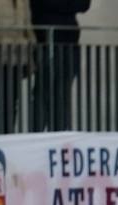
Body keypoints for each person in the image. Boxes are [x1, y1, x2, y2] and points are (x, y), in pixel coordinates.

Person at [29, 0, 87, 132]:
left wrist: (60, 6)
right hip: (46, 42)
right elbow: (41, 4)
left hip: (70, 44)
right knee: (43, 94)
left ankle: (59, 135)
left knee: (63, 95)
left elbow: (84, 4)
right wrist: (68, 6)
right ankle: (36, 136)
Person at [0, 0, 34, 134]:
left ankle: (7, 138)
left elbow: (27, 22)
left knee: (10, 104)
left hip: (17, 56)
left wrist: (31, 45)